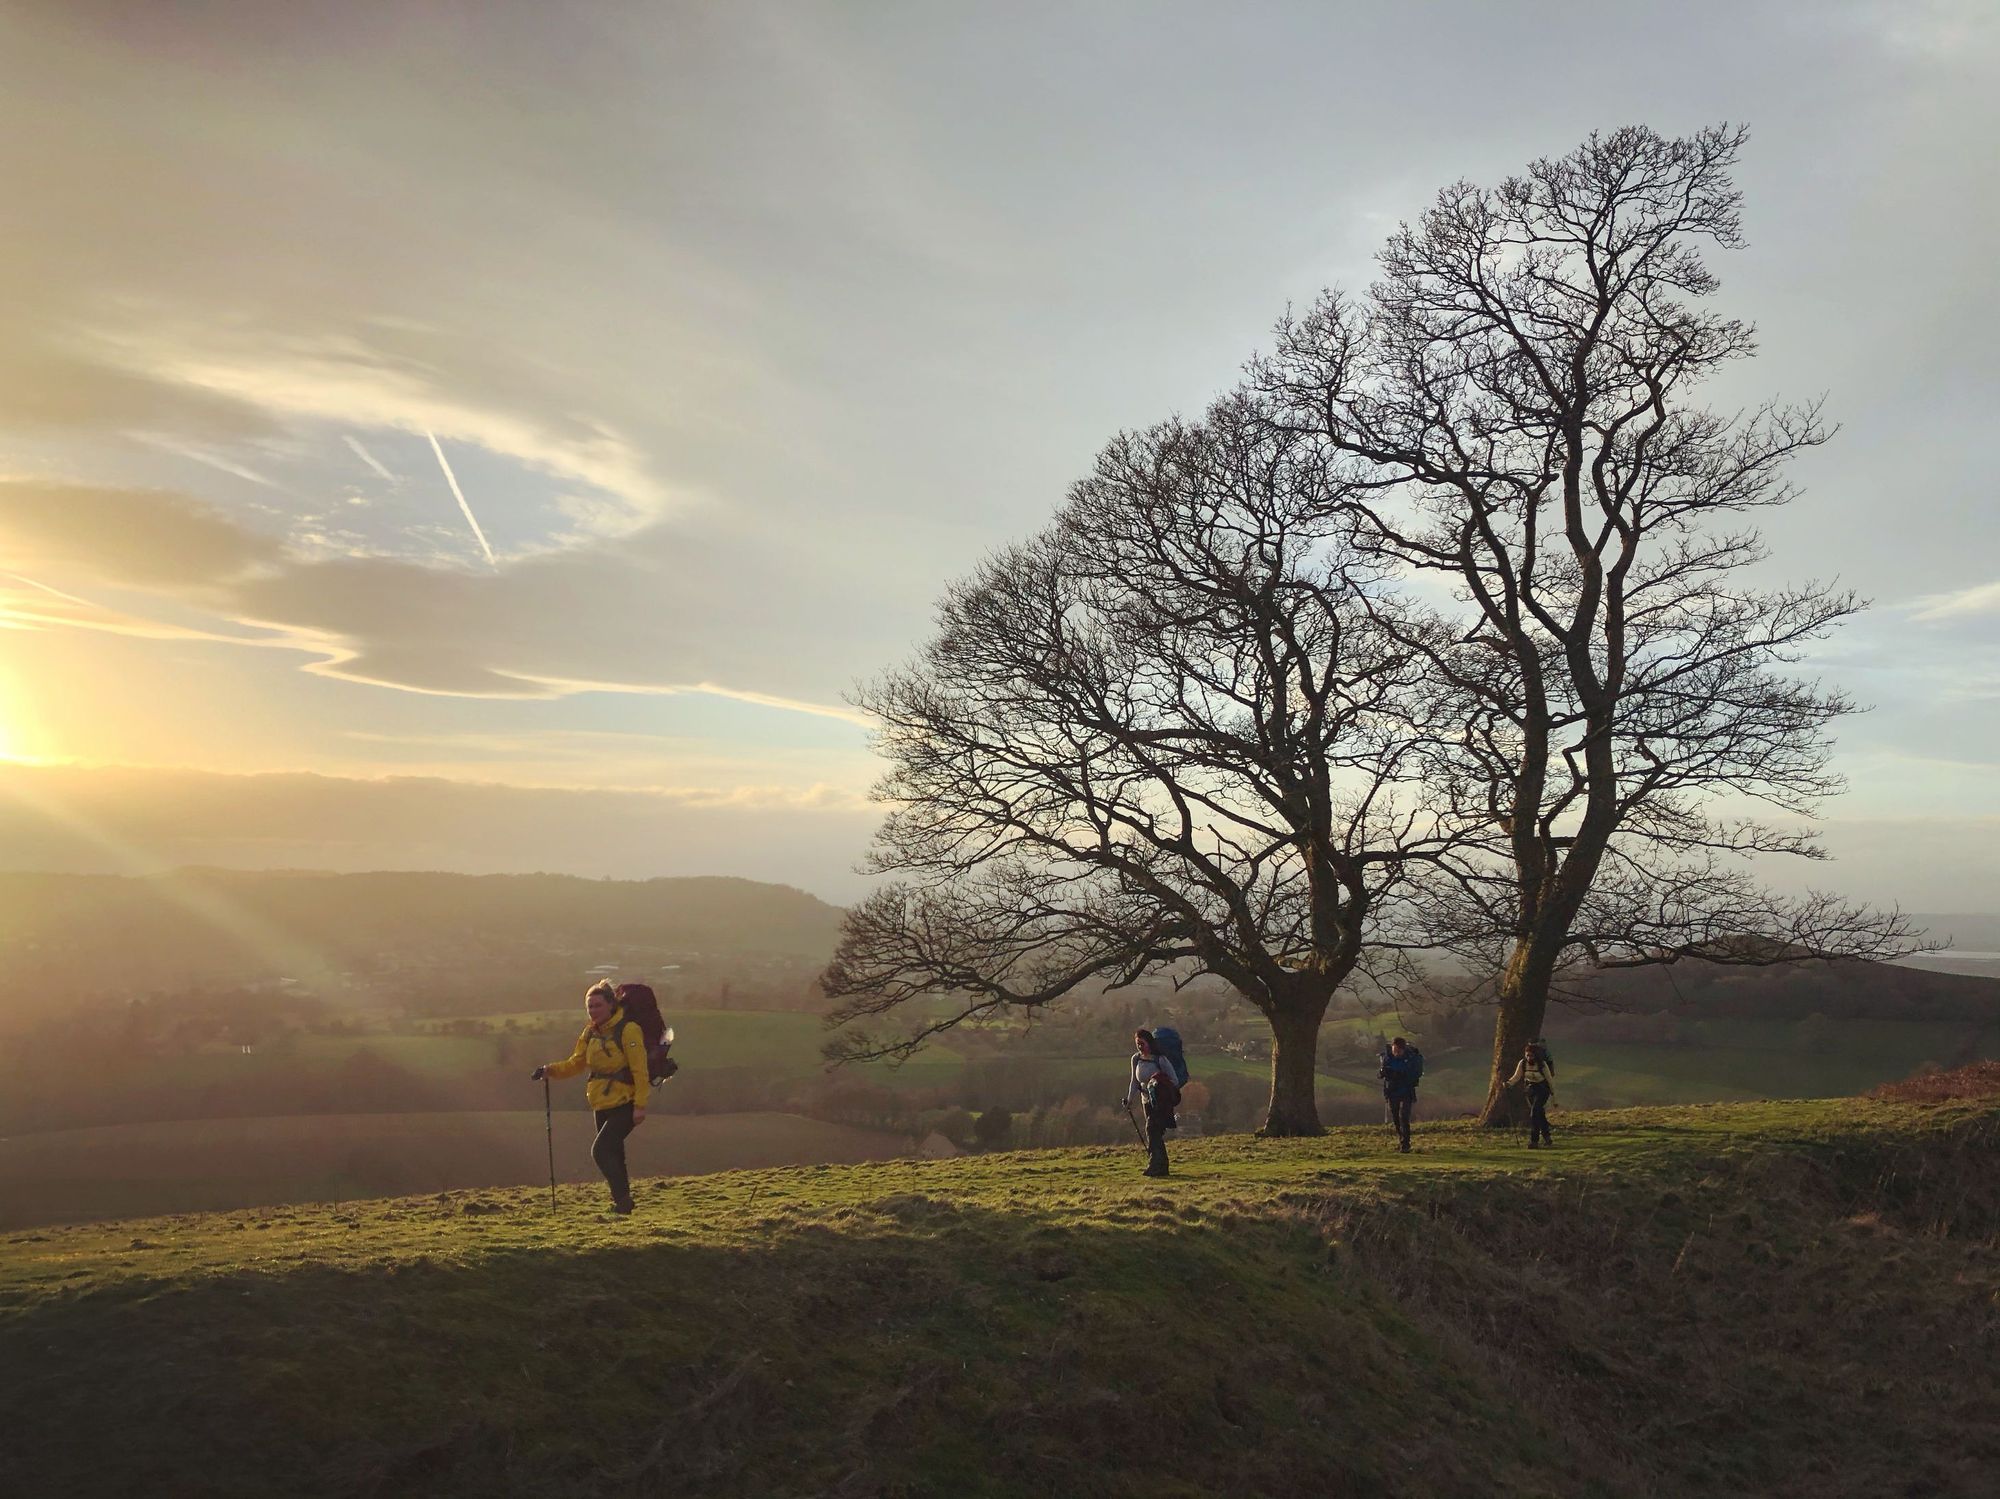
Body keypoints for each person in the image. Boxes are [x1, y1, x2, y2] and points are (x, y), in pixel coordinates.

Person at [532, 979, 651, 1213]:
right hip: (600, 1101)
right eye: (589, 1007)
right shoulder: (590, 1033)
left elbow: (640, 1069)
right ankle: (623, 1204)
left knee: (601, 1150)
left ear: (611, 1004)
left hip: (625, 1101)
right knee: (615, 1153)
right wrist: (550, 1070)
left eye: (597, 1005)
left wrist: (640, 1105)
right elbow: (576, 1063)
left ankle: (623, 1202)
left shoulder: (628, 1030)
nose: (593, 1011)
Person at [1124, 1028, 1178, 1178]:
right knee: (1154, 1133)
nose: (1140, 1046)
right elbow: (1134, 1082)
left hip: (1160, 1103)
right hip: (1146, 1101)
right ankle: (1161, 1166)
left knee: (1152, 1130)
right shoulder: (1136, 1059)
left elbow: (1175, 1080)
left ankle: (1155, 1165)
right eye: (1137, 1043)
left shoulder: (1160, 1060)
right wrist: (1129, 1099)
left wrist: (1157, 1081)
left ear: (1149, 1043)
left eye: (1142, 1043)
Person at [1507, 1040, 1557, 1148]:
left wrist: (1554, 1097)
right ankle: (1547, 1138)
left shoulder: (1542, 1064)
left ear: (1536, 1055)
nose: (1529, 1058)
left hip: (1543, 1090)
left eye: (1531, 1055)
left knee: (1534, 1113)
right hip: (1531, 1090)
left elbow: (1549, 1080)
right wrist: (1508, 1084)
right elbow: (1517, 1076)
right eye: (1527, 1055)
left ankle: (1534, 1141)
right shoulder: (1522, 1063)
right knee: (1539, 1114)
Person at [1379, 1036, 1421, 1153]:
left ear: (1403, 1049)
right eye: (1394, 1050)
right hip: (1392, 1092)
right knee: (1396, 1118)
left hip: (1406, 1091)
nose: (1396, 1053)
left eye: (1398, 1050)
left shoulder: (1411, 1058)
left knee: (1404, 1117)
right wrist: (1383, 1073)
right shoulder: (1387, 1058)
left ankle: (1405, 1144)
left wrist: (1399, 1075)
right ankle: (1401, 1138)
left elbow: (1414, 1074)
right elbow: (1382, 1074)